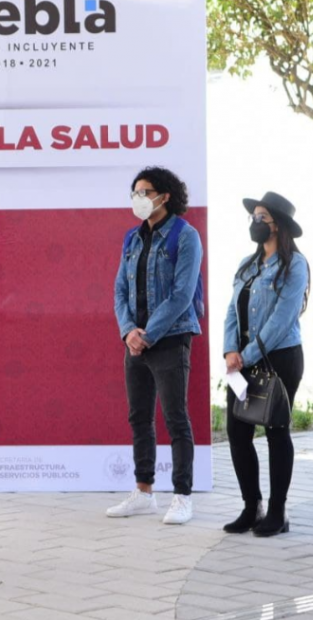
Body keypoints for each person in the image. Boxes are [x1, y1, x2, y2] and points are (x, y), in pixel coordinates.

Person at [109, 166, 204, 525]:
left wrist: (148, 334)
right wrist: (129, 332)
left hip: (170, 337)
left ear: (164, 196)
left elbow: (182, 295)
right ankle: (143, 490)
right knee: (139, 417)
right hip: (135, 342)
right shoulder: (132, 239)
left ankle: (182, 496)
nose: (139, 198)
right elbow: (119, 290)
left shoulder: (185, 236)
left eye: (145, 192)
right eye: (135, 192)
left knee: (175, 418)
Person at [221, 192, 309, 537]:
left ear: (278, 225)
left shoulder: (295, 265)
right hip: (240, 359)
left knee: (275, 431)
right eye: (253, 217)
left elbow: (283, 319)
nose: (256, 223)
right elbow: (232, 310)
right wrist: (231, 350)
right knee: (237, 431)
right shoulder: (247, 264)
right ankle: (250, 507)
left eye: (262, 218)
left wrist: (248, 354)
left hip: (280, 358)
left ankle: (277, 512)